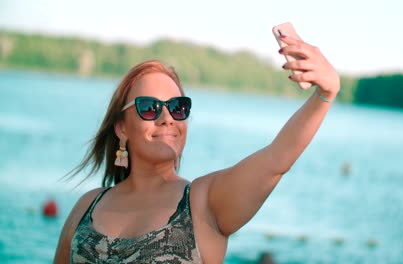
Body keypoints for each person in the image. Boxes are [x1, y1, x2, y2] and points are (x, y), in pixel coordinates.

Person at [53, 34, 340, 263]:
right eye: (150, 107)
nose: (167, 118)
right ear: (121, 128)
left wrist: (325, 94)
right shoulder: (86, 207)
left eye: (178, 108)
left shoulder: (203, 202)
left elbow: (277, 158)